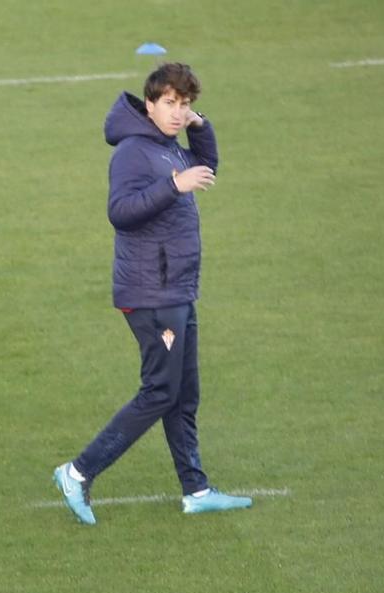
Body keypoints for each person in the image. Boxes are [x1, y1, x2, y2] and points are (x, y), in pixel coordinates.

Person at [53, 62, 253, 523]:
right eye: (170, 103)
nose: (178, 112)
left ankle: (196, 490)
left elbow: (208, 168)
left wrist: (199, 128)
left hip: (177, 288)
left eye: (186, 104)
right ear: (150, 104)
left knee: (184, 393)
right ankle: (78, 472)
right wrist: (173, 186)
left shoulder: (170, 146)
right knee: (160, 390)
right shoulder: (133, 152)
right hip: (151, 292)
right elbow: (120, 212)